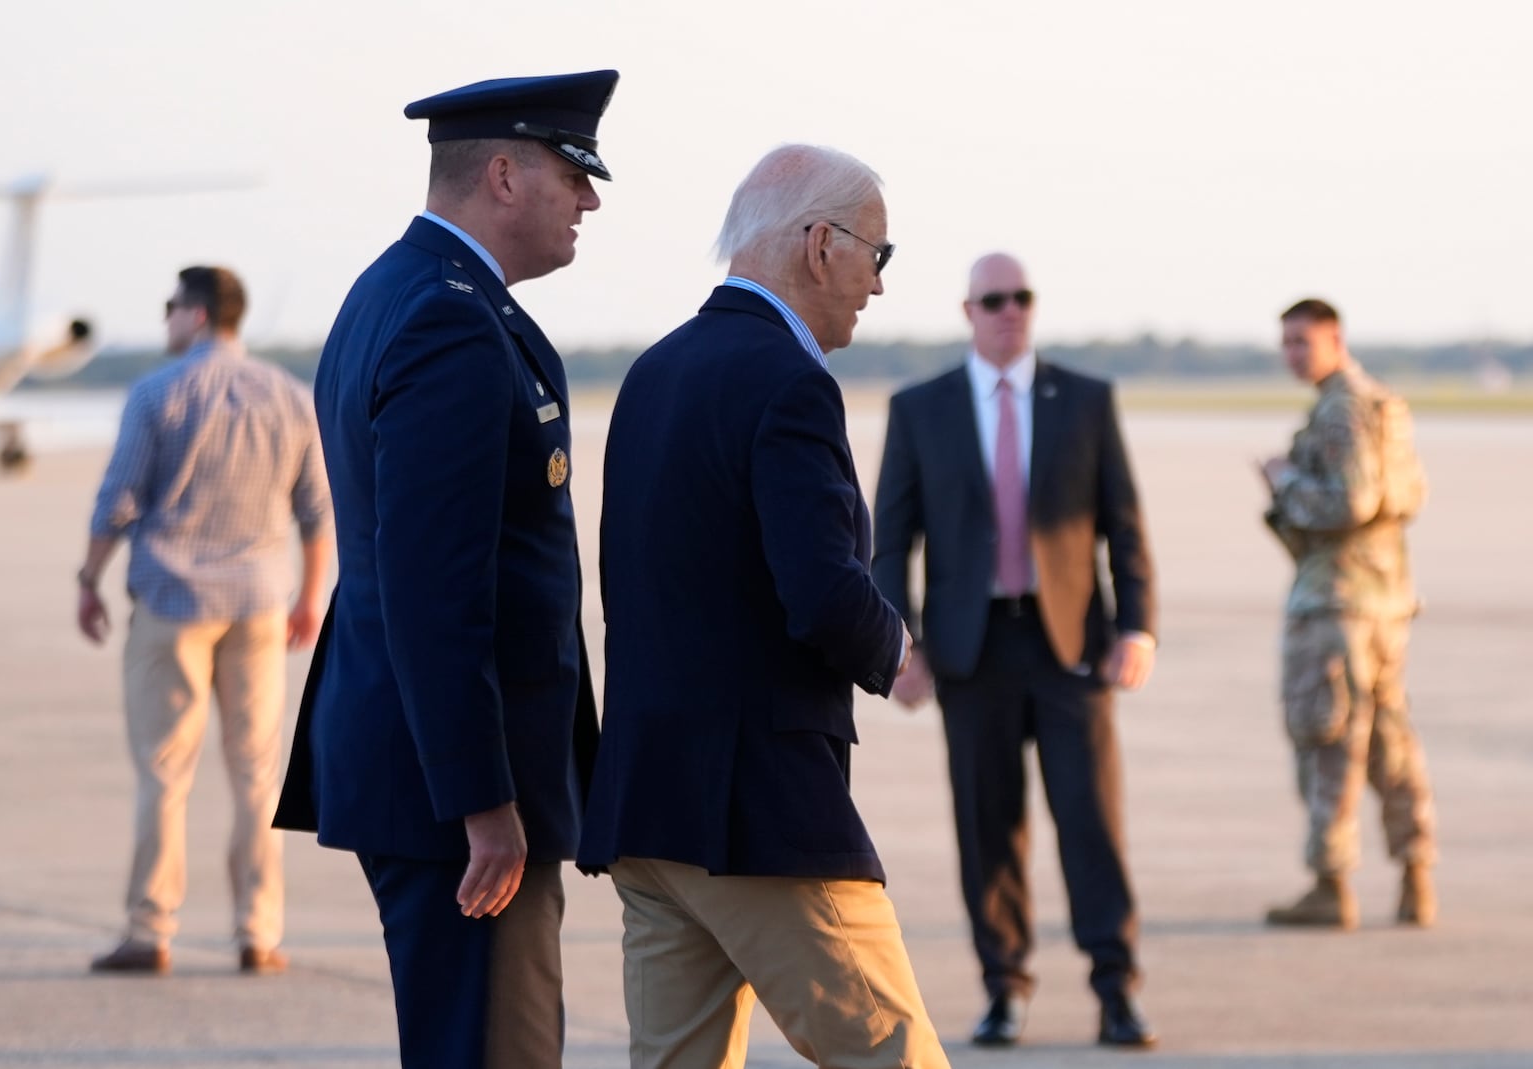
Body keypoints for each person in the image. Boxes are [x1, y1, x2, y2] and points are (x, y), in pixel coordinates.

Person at [577, 144, 949, 1069]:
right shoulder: (788, 381)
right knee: (894, 1054)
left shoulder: (656, 371)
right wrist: (897, 641)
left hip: (649, 803)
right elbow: (822, 592)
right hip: (757, 814)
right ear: (822, 244)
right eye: (879, 254)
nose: (878, 283)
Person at [272, 70, 614, 1069]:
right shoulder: (449, 320)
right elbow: (434, 582)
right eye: (572, 172)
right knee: (491, 1049)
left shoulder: (402, 291)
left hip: (429, 765)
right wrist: (483, 798)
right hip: (456, 792)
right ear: (503, 175)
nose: (589, 199)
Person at [871, 252, 1158, 1049]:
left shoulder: (1086, 400)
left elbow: (1124, 527)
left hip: (1072, 648)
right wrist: (901, 643)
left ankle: (1117, 987)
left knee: (1091, 821)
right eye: (994, 299)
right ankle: (1005, 987)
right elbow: (891, 538)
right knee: (987, 825)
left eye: (1022, 297)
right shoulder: (920, 407)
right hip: (971, 652)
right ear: (969, 310)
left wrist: (1138, 626)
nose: (1010, 311)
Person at [77, 265, 331, 976]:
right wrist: (311, 594)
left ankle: (150, 927)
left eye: (169, 309)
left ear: (194, 314)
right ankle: (260, 931)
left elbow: (117, 500)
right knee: (256, 773)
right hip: (257, 600)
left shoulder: (157, 392)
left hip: (172, 601)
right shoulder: (289, 395)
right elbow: (316, 508)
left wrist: (88, 579)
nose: (165, 322)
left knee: (164, 771)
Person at [1260, 298, 1438, 930]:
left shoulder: (1342, 409)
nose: (1293, 355)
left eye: (1303, 342)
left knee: (1329, 735)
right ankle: (1416, 868)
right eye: (1286, 343)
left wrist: (1284, 485)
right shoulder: (1382, 405)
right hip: (1386, 599)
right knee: (1390, 735)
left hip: (1340, 601)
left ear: (1335, 339)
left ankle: (1331, 882)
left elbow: (1352, 501)